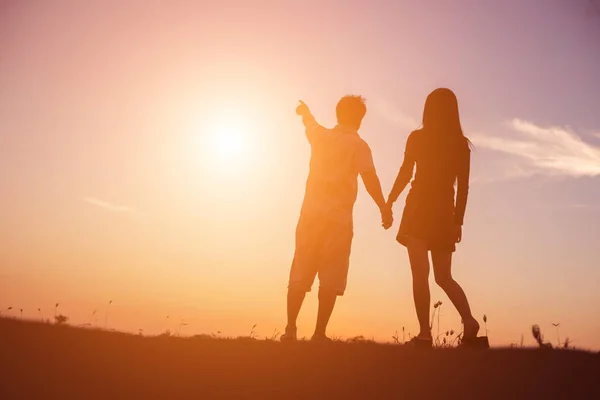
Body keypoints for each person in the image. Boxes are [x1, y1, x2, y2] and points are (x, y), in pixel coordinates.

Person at [282, 96, 393, 342]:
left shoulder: (320, 136)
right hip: (338, 219)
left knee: (301, 269)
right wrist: (384, 207)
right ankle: (319, 333)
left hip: (310, 215)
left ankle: (290, 329)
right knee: (331, 275)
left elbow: (309, 125)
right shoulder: (359, 145)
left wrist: (305, 112)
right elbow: (369, 178)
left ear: (337, 113)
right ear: (360, 119)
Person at [387, 88, 481, 347]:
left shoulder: (417, 137)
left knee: (421, 274)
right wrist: (457, 220)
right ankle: (469, 321)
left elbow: (406, 173)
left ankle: (425, 334)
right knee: (443, 277)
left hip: (418, 209)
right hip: (443, 212)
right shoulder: (460, 144)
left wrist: (390, 199)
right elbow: (464, 187)